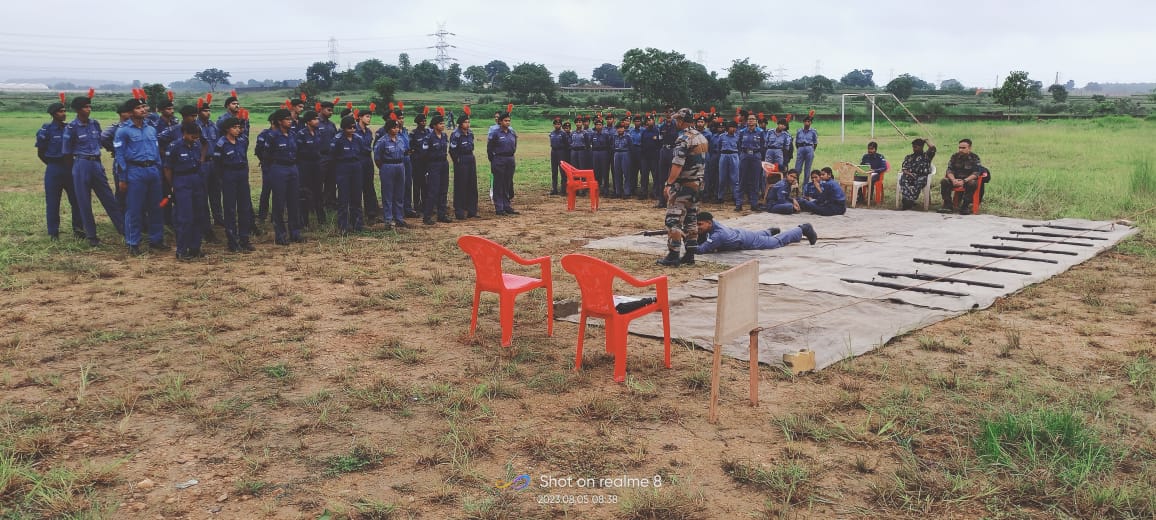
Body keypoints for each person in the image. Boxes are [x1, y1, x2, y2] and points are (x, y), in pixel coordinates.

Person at [64, 95, 125, 247]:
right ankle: (91, 236)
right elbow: (66, 153)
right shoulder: (71, 128)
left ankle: (124, 230)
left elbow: (101, 142)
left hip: (96, 164)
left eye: (90, 106)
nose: (88, 109)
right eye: (85, 107)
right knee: (84, 201)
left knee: (109, 198)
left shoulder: (95, 124)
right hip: (81, 163)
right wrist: (75, 169)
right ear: (78, 110)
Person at [656, 108, 708, 267]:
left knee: (673, 220)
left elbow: (677, 164)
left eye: (677, 120)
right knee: (691, 219)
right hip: (698, 184)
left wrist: (669, 184)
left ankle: (673, 254)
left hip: (684, 184)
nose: (676, 122)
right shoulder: (701, 137)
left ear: (681, 121)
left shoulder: (683, 139)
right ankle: (690, 254)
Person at [114, 98, 164, 255]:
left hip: (153, 171)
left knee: (157, 208)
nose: (143, 110)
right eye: (138, 108)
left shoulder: (151, 129)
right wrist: (122, 178)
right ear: (130, 112)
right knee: (134, 209)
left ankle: (156, 240)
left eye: (144, 106)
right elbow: (120, 156)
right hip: (135, 172)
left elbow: (156, 152)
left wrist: (159, 170)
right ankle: (132, 243)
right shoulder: (123, 131)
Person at [36, 100, 85, 240]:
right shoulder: (46, 130)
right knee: (52, 202)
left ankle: (79, 230)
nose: (64, 114)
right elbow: (41, 152)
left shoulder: (69, 128)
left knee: (76, 200)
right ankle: (53, 232)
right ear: (53, 114)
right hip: (54, 168)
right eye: (60, 111)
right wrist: (53, 163)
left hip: (71, 167)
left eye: (64, 111)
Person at [258, 109, 304, 244]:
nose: (290, 121)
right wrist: (270, 172)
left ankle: (295, 232)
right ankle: (281, 235)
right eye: (287, 119)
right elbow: (266, 156)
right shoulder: (272, 136)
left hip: (292, 168)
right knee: (279, 203)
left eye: (290, 119)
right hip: (278, 169)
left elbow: (297, 151)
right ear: (279, 121)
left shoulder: (293, 134)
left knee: (294, 202)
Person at [164, 122, 208, 260]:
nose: (195, 139)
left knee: (198, 215)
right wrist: (173, 185)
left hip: (196, 180)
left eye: (197, 136)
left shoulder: (196, 145)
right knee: (185, 218)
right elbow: (167, 169)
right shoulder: (175, 146)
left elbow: (199, 160)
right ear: (184, 133)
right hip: (182, 181)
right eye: (192, 136)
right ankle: (181, 250)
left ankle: (195, 248)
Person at [213, 118, 254, 252]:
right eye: (234, 127)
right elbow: (217, 164)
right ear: (227, 129)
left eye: (239, 127)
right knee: (230, 209)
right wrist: (222, 179)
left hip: (241, 175)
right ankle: (232, 241)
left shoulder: (242, 141)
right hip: (228, 176)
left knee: (244, 208)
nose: (238, 129)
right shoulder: (221, 143)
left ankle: (244, 239)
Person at [696, 212, 817, 253]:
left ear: (709, 223)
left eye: (700, 224)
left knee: (776, 242)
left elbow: (701, 250)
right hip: (741, 234)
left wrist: (688, 241)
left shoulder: (718, 235)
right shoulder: (712, 223)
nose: (698, 227)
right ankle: (768, 231)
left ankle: (803, 228)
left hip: (747, 241)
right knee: (757, 235)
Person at [330, 116, 367, 233]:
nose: (352, 129)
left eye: (353, 127)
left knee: (356, 196)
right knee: (343, 198)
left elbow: (362, 152)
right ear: (344, 128)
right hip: (343, 167)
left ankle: (357, 224)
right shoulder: (338, 139)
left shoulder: (358, 139)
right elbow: (333, 155)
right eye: (349, 128)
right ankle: (343, 226)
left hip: (356, 167)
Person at [374, 115, 408, 228]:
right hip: (387, 166)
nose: (396, 129)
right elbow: (377, 158)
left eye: (397, 127)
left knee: (399, 193)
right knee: (388, 193)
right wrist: (383, 168)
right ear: (388, 129)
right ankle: (388, 219)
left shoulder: (401, 139)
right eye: (394, 128)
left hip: (400, 165)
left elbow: (404, 152)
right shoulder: (382, 141)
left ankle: (399, 217)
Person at [295, 110, 326, 227]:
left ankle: (321, 219)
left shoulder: (318, 132)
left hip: (317, 164)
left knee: (318, 190)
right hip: (305, 165)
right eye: (314, 119)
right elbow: (297, 152)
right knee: (305, 192)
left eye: (317, 119)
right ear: (308, 121)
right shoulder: (301, 134)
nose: (317, 121)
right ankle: (304, 220)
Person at [939, 138, 983, 214]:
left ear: (969, 148)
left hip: (967, 180)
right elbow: (949, 170)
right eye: (959, 147)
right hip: (955, 179)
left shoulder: (975, 157)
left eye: (963, 148)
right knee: (944, 181)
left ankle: (965, 206)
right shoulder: (954, 156)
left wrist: (964, 181)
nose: (960, 150)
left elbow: (976, 173)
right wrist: (953, 180)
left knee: (973, 183)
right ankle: (948, 205)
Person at [487, 110, 518, 216]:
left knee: (507, 183)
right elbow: (489, 148)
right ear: (500, 122)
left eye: (509, 121)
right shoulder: (495, 134)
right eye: (505, 121)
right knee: (498, 184)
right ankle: (499, 207)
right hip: (499, 159)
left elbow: (514, 146)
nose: (508, 123)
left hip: (510, 159)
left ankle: (506, 205)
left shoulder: (512, 132)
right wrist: (494, 160)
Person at [422, 113, 451, 225]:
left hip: (444, 163)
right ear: (434, 125)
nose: (443, 125)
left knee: (443, 190)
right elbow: (424, 154)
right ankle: (427, 216)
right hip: (433, 165)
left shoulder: (444, 136)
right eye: (440, 124)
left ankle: (441, 214)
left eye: (443, 123)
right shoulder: (429, 137)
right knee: (433, 191)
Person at [449, 110, 478, 220]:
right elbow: (452, 150)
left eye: (468, 122)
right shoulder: (456, 135)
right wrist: (458, 161)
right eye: (465, 122)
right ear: (460, 124)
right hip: (461, 159)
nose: (468, 124)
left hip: (470, 158)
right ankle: (459, 211)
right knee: (461, 186)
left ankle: (472, 210)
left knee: (472, 185)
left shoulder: (470, 133)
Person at [355, 109, 380, 223]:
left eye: (370, 117)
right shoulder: (353, 130)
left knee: (369, 187)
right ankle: (357, 215)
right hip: (358, 160)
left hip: (367, 160)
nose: (369, 119)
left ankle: (371, 214)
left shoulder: (369, 132)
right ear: (360, 117)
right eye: (366, 116)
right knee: (357, 187)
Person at [898, 138, 937, 210]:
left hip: (921, 176)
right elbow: (904, 168)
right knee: (903, 179)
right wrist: (908, 173)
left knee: (919, 181)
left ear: (921, 147)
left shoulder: (927, 156)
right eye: (913, 147)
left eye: (916, 147)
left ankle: (909, 201)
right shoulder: (909, 157)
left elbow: (933, 148)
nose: (914, 149)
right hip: (910, 175)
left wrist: (926, 140)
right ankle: (909, 200)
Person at [736, 114, 764, 211]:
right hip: (745, 155)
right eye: (749, 119)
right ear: (747, 121)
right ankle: (739, 204)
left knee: (755, 181)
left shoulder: (760, 132)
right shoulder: (742, 132)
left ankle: (754, 203)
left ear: (756, 121)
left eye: (753, 119)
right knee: (742, 180)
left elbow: (763, 145)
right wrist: (742, 154)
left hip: (756, 156)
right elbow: (738, 144)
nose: (751, 121)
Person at [716, 120, 740, 207]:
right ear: (728, 128)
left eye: (735, 128)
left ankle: (736, 196)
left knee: (735, 178)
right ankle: (720, 197)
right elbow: (718, 147)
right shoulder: (722, 136)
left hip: (734, 155)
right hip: (724, 155)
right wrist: (721, 156)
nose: (733, 129)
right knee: (722, 178)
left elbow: (740, 147)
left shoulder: (737, 137)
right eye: (731, 127)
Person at [639, 115, 661, 201]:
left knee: (655, 176)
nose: (649, 122)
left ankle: (655, 193)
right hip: (645, 157)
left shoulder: (657, 131)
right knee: (644, 176)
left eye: (651, 120)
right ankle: (644, 192)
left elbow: (660, 144)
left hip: (654, 157)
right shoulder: (644, 132)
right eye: (648, 120)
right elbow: (642, 143)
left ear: (654, 120)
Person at [589, 118, 611, 196]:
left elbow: (609, 145)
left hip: (604, 153)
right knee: (596, 172)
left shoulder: (606, 134)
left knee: (605, 171)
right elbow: (590, 144)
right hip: (595, 153)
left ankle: (606, 189)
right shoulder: (593, 135)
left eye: (600, 125)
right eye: (597, 125)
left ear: (602, 126)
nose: (598, 126)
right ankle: (598, 188)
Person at [794, 116, 818, 184]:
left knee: (807, 169)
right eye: (806, 121)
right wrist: (799, 149)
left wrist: (812, 150)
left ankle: (805, 186)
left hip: (809, 148)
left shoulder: (813, 131)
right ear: (803, 122)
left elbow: (815, 143)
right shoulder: (799, 131)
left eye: (809, 122)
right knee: (797, 168)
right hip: (801, 148)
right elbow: (796, 142)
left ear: (811, 123)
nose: (807, 123)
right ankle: (796, 184)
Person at [611, 122, 633, 198]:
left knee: (626, 173)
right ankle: (618, 192)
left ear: (624, 128)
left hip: (625, 153)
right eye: (618, 128)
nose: (620, 129)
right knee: (617, 173)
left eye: (621, 128)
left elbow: (631, 147)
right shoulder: (614, 136)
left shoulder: (628, 136)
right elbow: (612, 146)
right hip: (617, 153)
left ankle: (627, 192)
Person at [548, 117, 568, 194]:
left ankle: (563, 189)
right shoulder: (551, 133)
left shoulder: (563, 134)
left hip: (561, 152)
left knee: (562, 171)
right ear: (553, 125)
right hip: (553, 152)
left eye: (559, 124)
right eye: (556, 124)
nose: (557, 125)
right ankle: (554, 189)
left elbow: (566, 144)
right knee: (554, 171)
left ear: (561, 125)